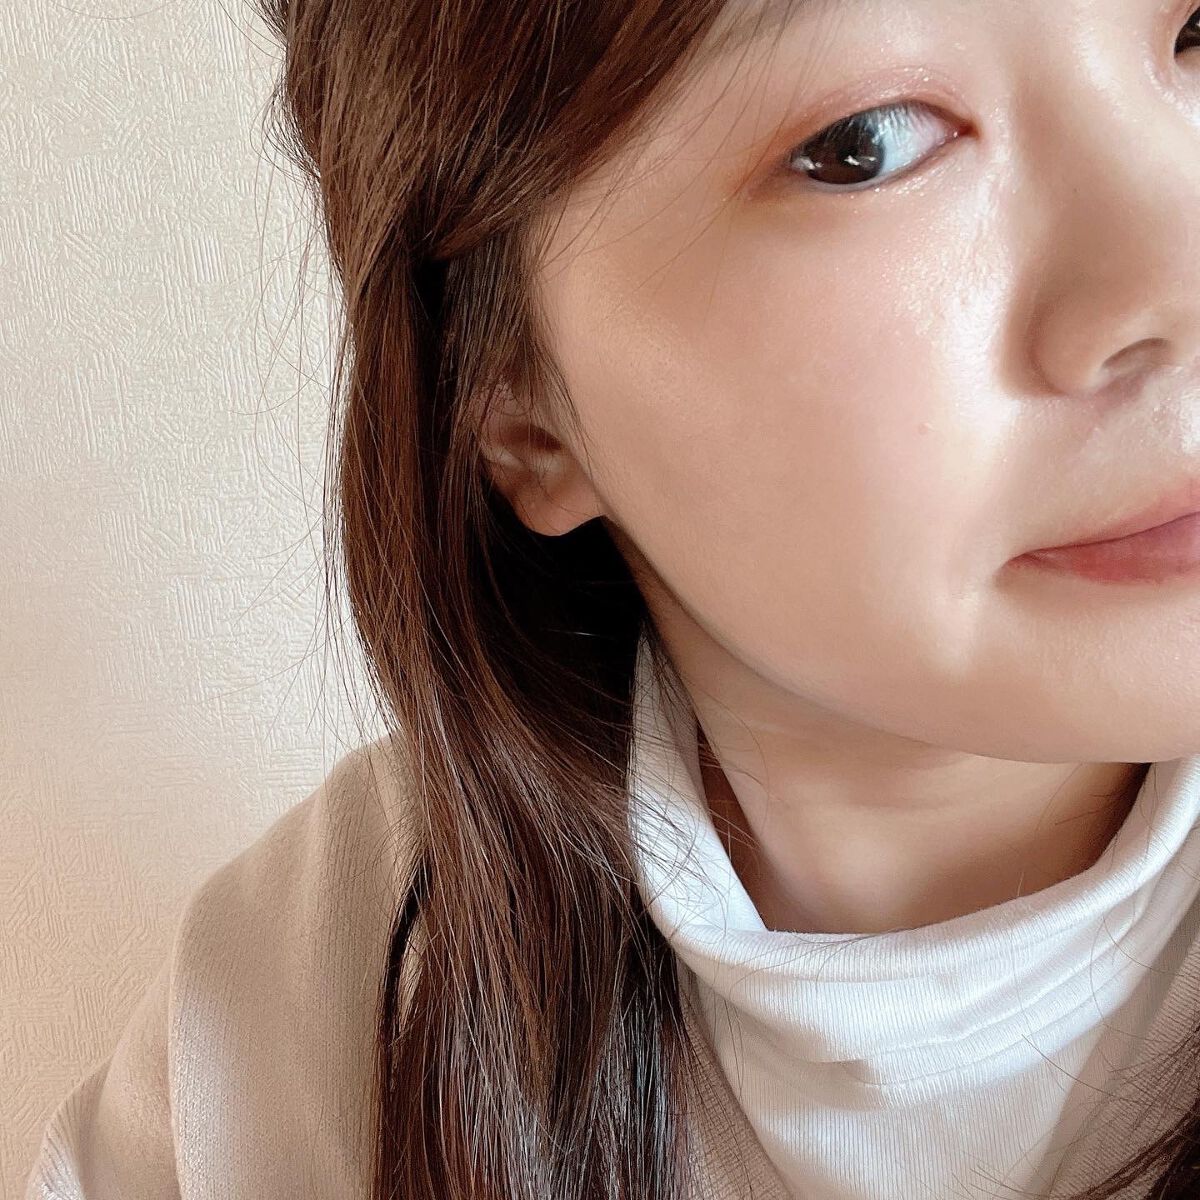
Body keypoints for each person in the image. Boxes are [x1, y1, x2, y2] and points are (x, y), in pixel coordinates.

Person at [24, 0, 1200, 1197]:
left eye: (1197, 33)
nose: (1178, 274)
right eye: (866, 144)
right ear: (516, 402)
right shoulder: (297, 1016)